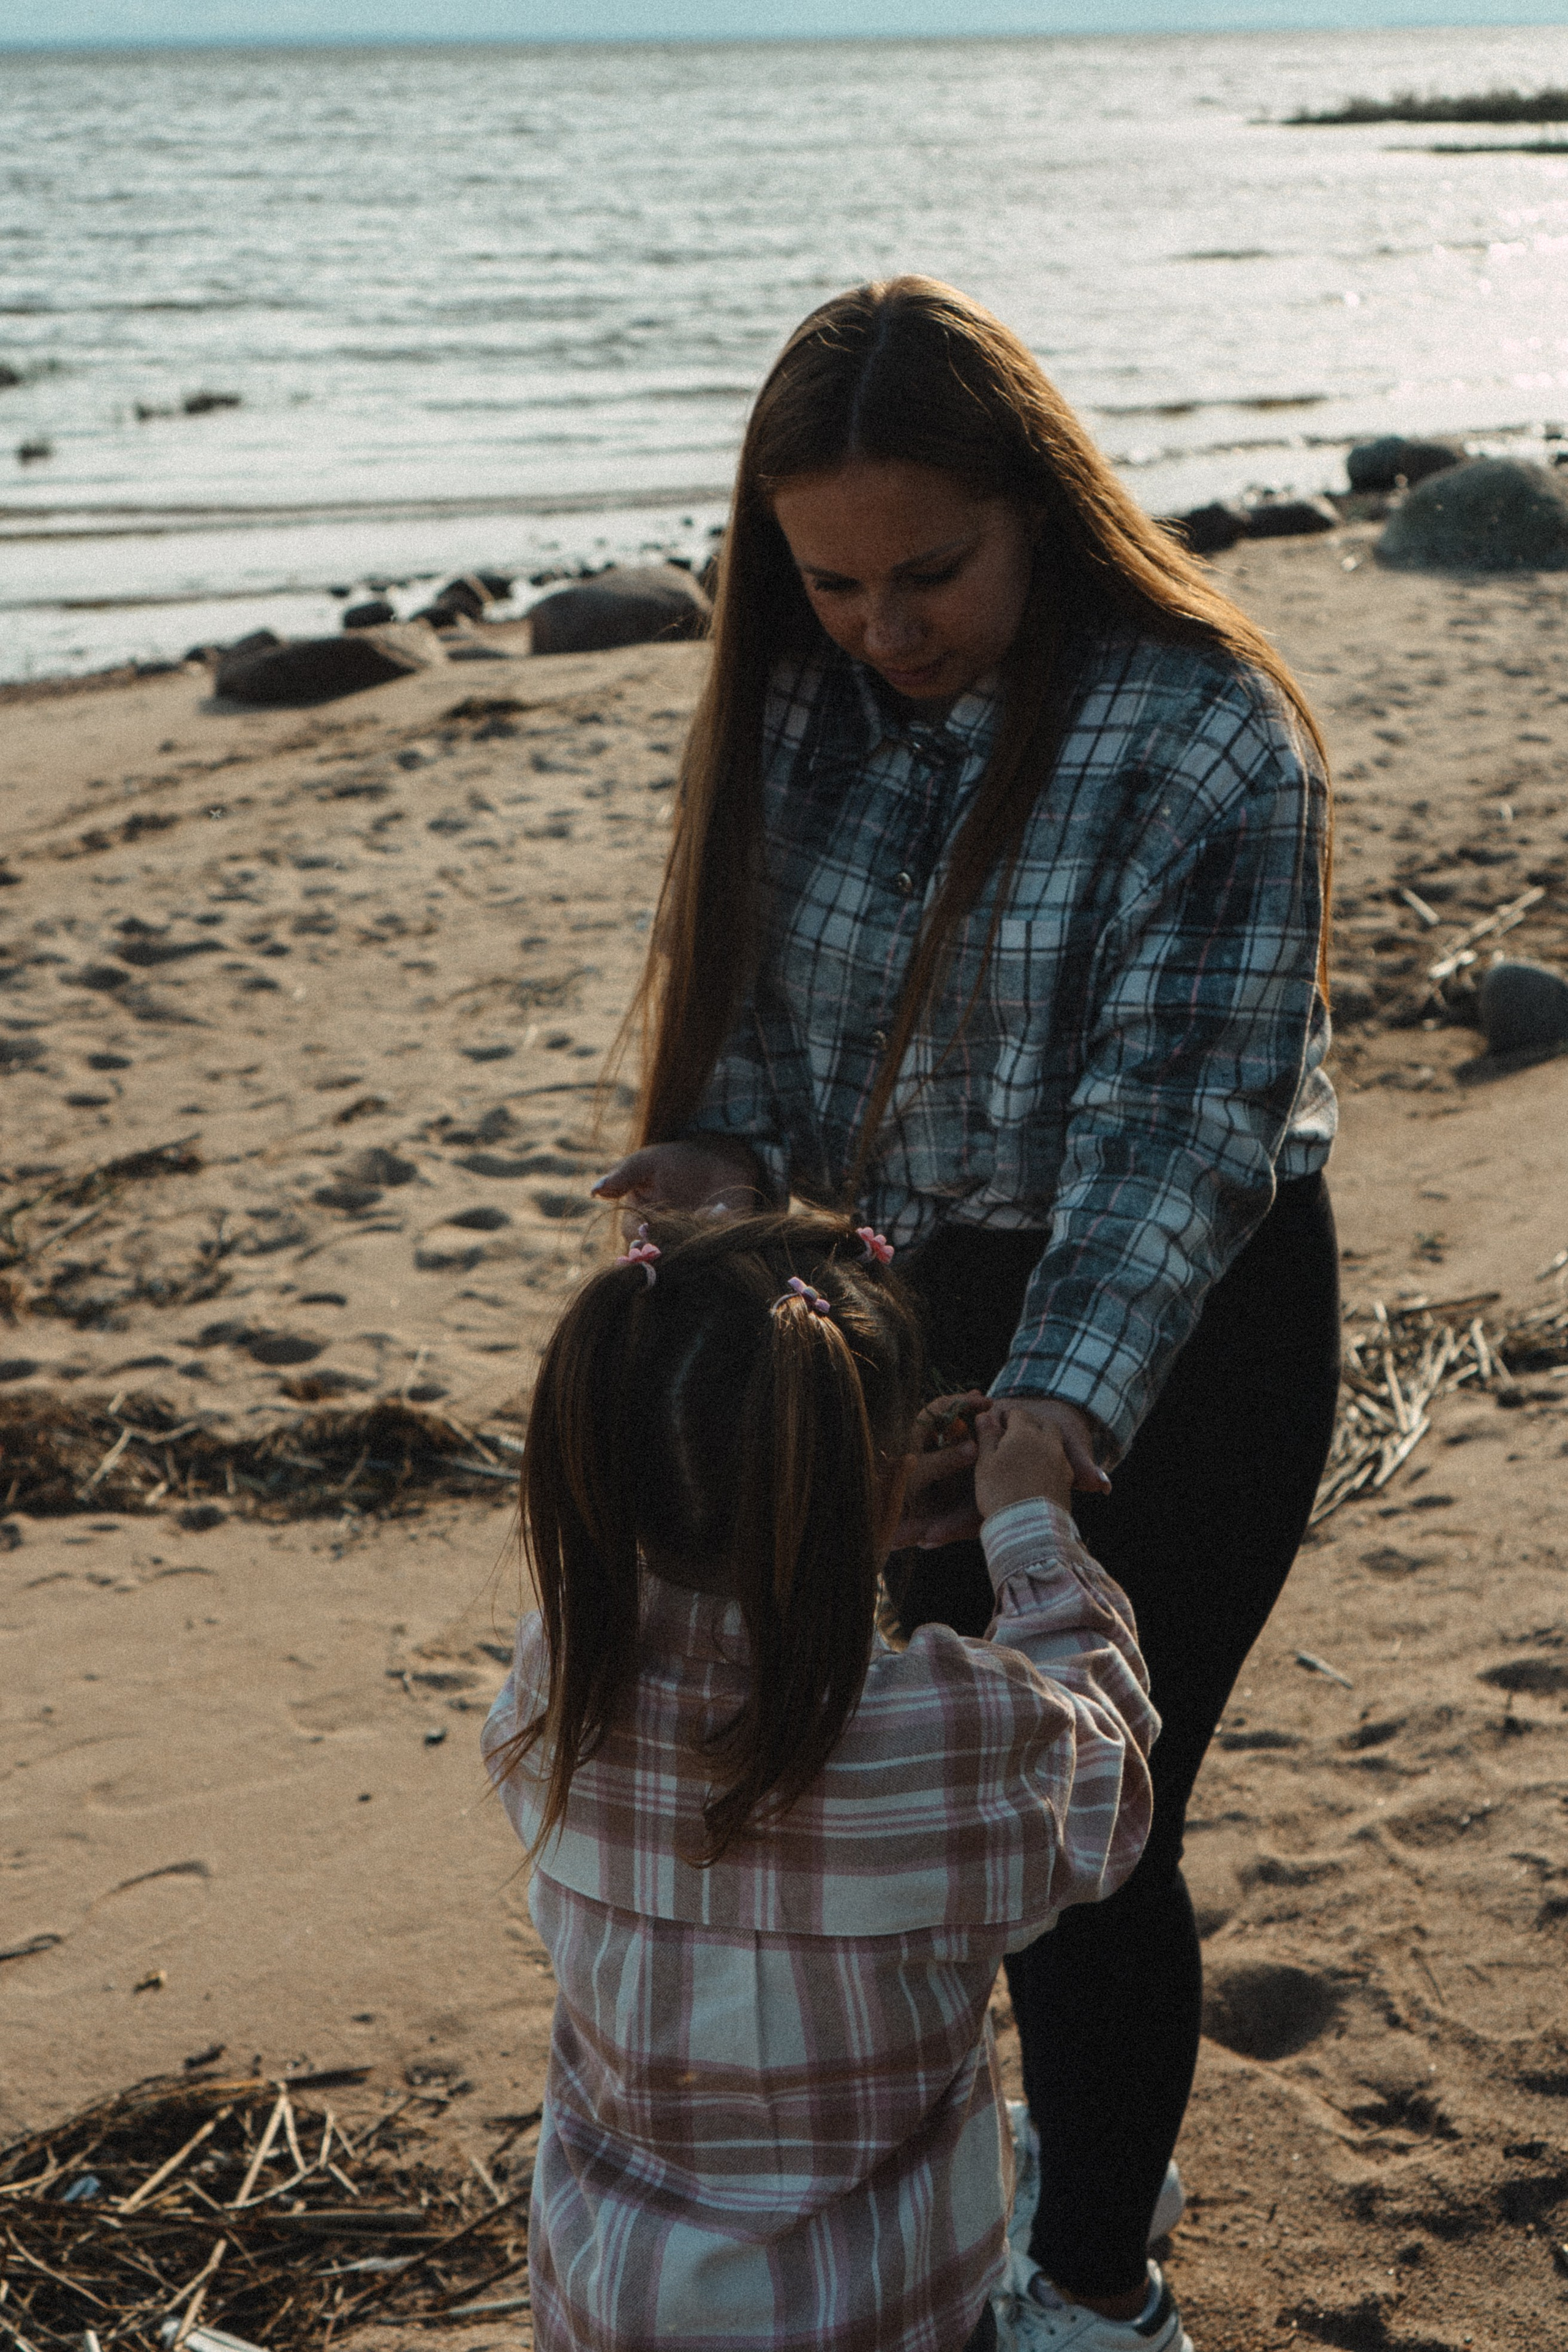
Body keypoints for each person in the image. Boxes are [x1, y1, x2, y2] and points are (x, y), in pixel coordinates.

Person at [593, 277, 1341, 2347]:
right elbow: (765, 1048)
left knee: (1090, 1828)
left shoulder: (1206, 734)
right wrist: (718, 1173)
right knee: (950, 1801)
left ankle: (1098, 2286)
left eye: (931, 571)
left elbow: (1178, 1146)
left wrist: (1053, 1426)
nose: (883, 626)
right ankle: (1079, 2146)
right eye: (830, 582)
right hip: (910, 1313)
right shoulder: (797, 705)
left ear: (1042, 505)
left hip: (1189, 1314)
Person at [483, 1211, 1158, 2352]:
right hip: (882, 2320)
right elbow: (1107, 1775)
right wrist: (1029, 1532)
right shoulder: (936, 1734)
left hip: (615, 2308)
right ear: (863, 1480)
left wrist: (844, 1512)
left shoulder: (561, 1683)